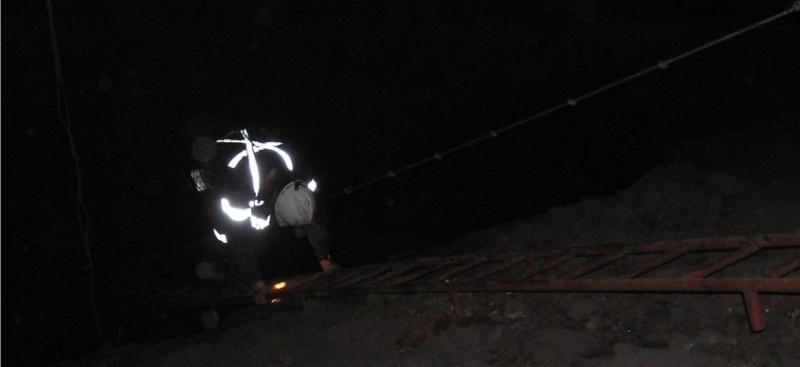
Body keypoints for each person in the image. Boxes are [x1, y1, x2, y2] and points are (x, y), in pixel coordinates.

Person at [191, 129, 340, 304]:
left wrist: (325, 261)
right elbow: (234, 233)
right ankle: (237, 282)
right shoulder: (237, 192)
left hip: (256, 168)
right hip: (217, 183)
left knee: (309, 217)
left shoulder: (298, 169)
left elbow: (315, 214)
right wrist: (258, 286)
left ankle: (324, 262)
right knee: (225, 238)